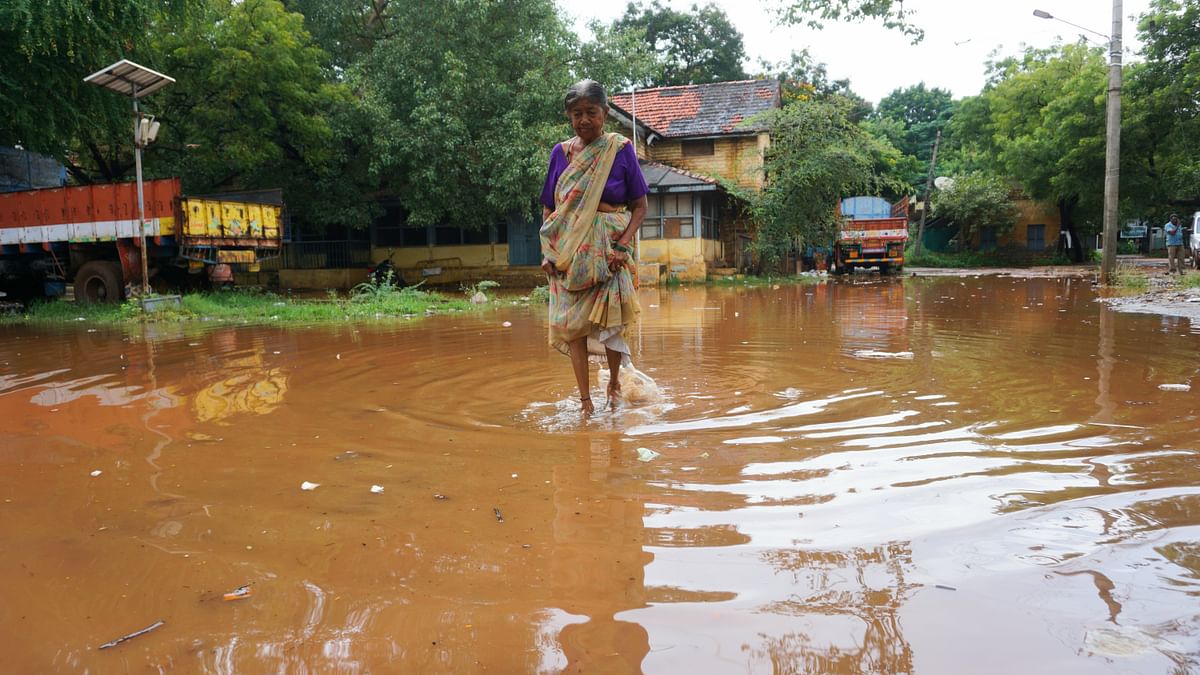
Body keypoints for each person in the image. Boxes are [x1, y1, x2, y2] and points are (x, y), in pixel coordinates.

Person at [539, 79, 648, 416]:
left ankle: (614, 383)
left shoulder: (619, 149)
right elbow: (549, 210)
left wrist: (624, 246)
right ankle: (586, 401)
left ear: (604, 113)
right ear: (569, 116)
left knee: (611, 322)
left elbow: (640, 206)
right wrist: (548, 252)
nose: (584, 120)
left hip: (611, 253)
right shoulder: (560, 153)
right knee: (573, 326)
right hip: (570, 253)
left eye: (591, 112)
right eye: (576, 114)